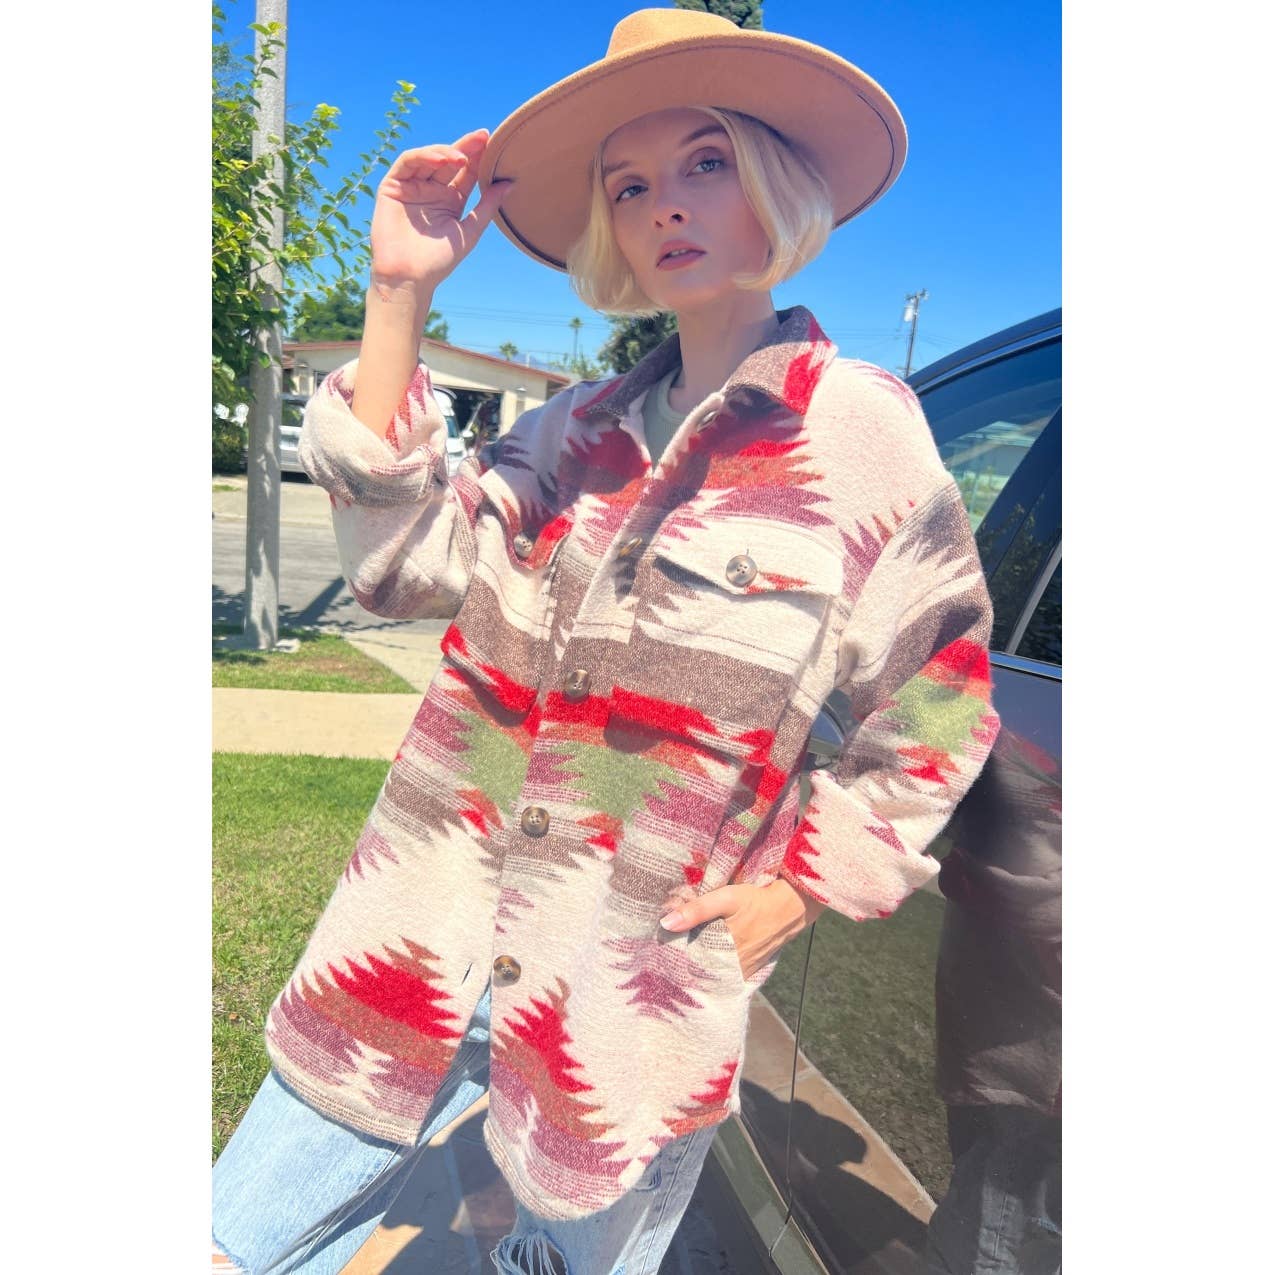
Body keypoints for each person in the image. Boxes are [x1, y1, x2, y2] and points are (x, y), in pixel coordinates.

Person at [212, 8, 1002, 1273]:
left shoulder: (857, 434)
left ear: (776, 186)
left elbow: (942, 701)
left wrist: (801, 890)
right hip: (421, 926)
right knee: (228, 1240)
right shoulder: (569, 431)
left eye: (706, 163)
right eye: (629, 186)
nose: (664, 205)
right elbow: (403, 568)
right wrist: (399, 292)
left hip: (628, 988)